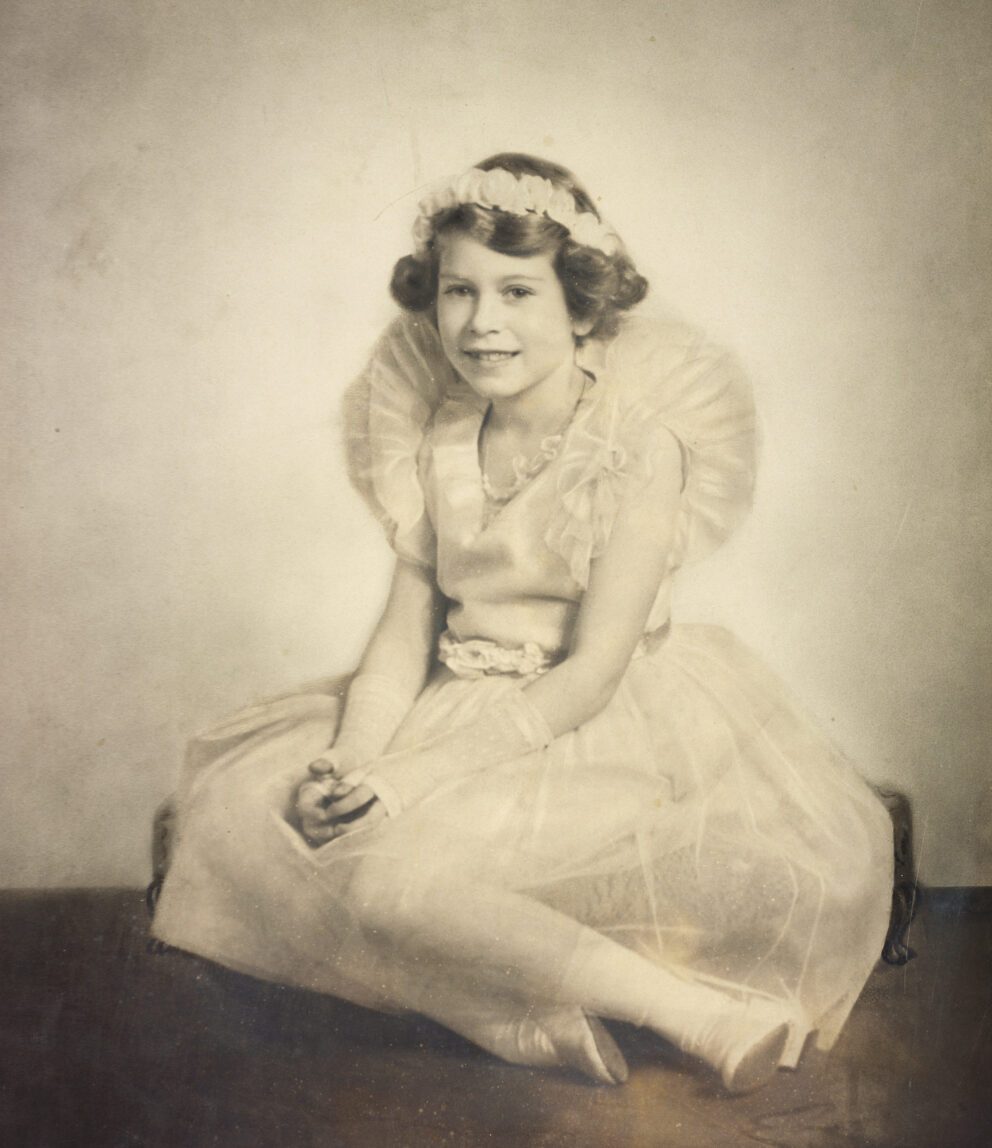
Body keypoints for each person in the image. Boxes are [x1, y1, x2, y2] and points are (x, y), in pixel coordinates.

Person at [151, 154, 894, 1093]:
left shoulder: (638, 445)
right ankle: (509, 1011)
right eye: (458, 291)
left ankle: (702, 1016)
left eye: (515, 292)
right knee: (263, 823)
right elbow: (401, 631)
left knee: (386, 885)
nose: (481, 322)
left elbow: (589, 676)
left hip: (598, 723)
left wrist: (411, 779)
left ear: (580, 307)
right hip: (454, 702)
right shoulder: (440, 433)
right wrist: (357, 757)